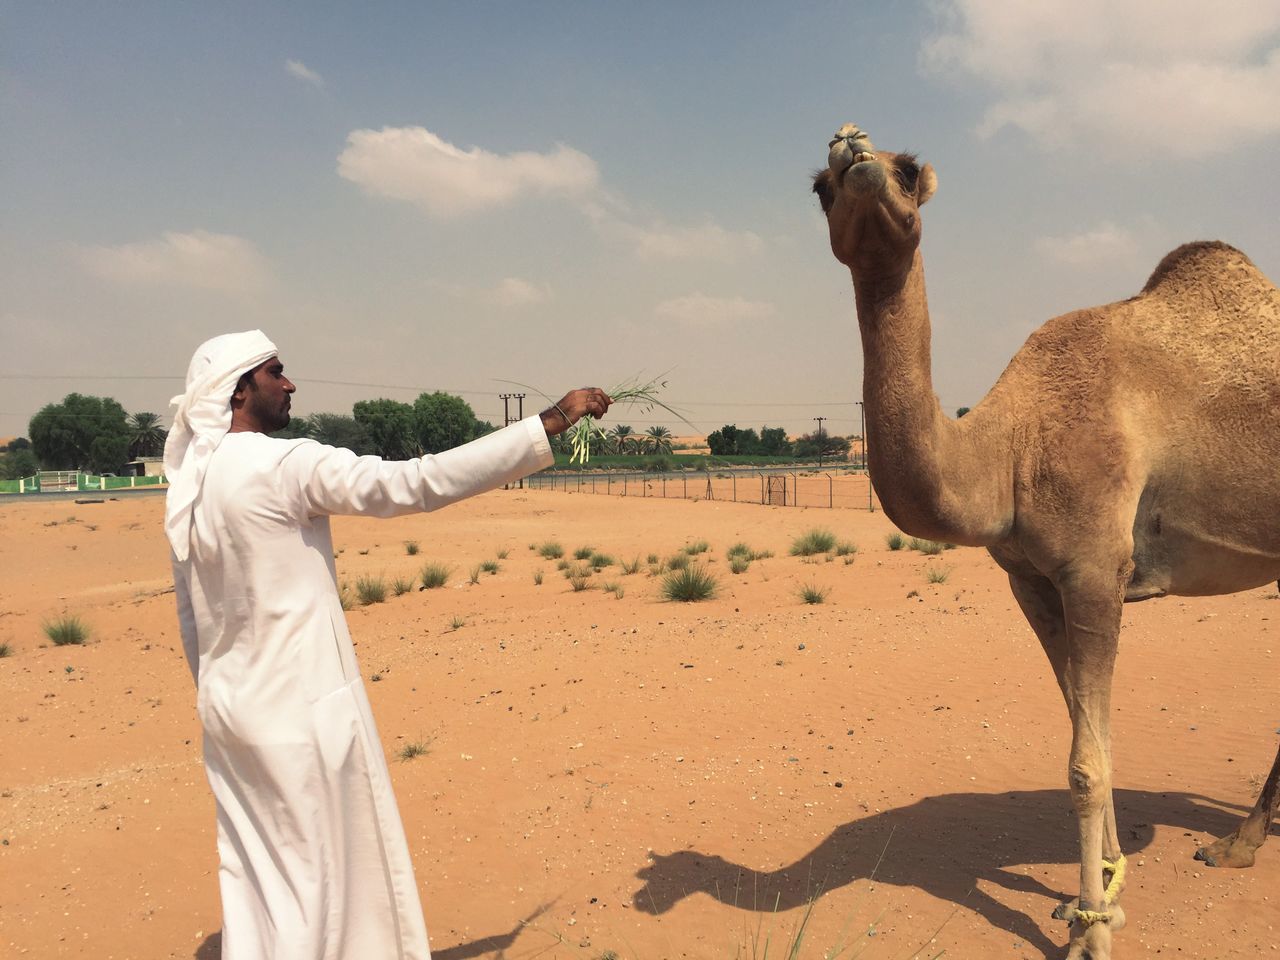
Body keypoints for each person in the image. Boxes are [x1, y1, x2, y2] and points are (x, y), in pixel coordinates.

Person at [164, 330, 610, 959]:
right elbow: (416, 483)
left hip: (232, 716)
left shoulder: (190, 489)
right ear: (238, 390)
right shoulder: (283, 465)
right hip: (302, 714)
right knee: (316, 878)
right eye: (276, 373)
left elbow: (192, 619)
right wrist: (550, 423)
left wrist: (214, 696)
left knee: (259, 874)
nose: (290, 384)